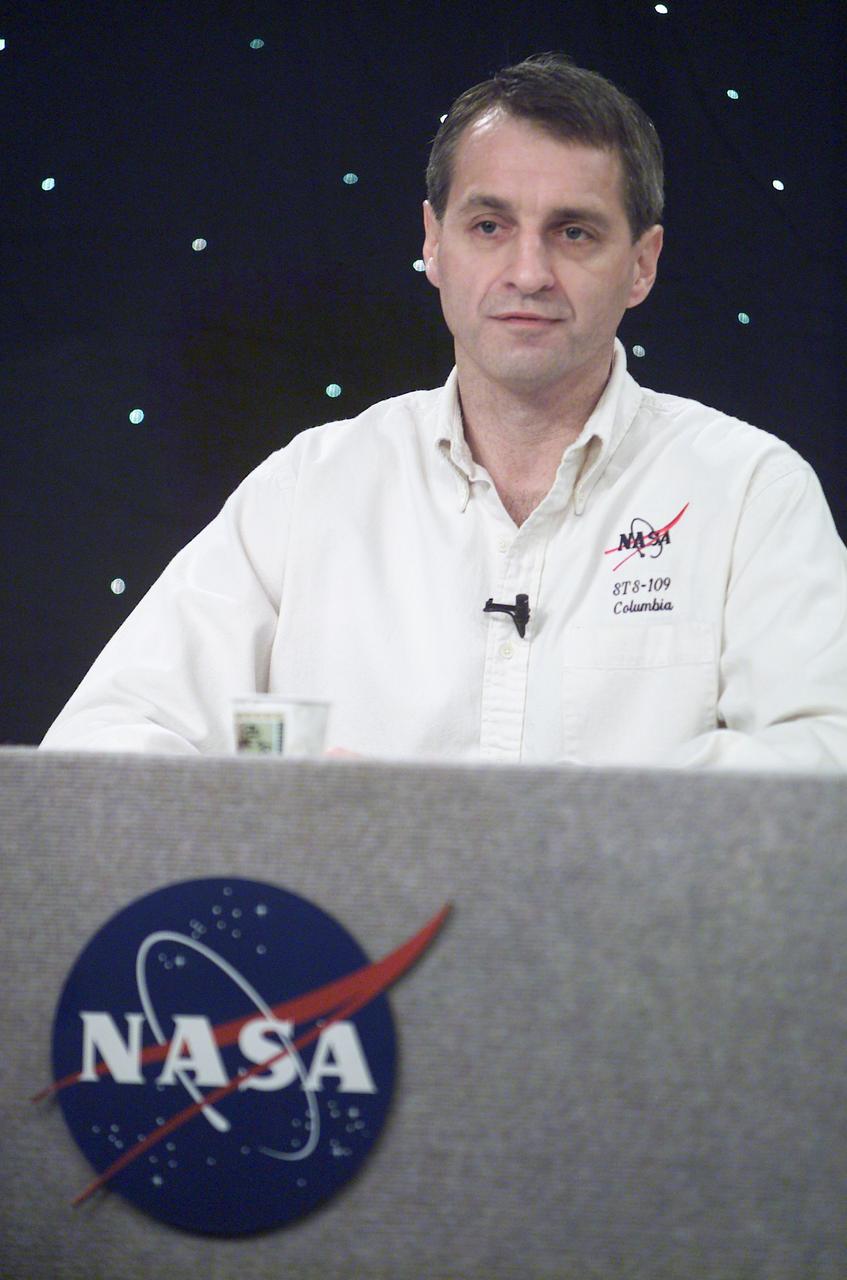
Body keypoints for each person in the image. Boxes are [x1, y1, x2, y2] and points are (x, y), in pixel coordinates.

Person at [42, 54, 847, 770]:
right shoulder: (307, 490)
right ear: (433, 242)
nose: (527, 271)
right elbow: (101, 744)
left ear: (641, 265)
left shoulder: (748, 491)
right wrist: (289, 823)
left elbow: (824, 754)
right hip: (353, 938)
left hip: (637, 938)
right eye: (489, 226)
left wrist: (573, 836)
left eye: (573, 232)